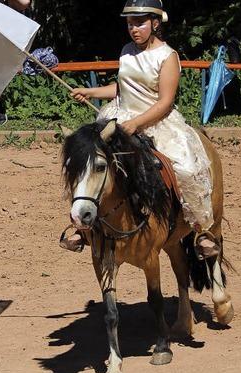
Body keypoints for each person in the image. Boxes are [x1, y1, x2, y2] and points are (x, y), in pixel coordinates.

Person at [64, 0, 219, 258]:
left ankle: (201, 229)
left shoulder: (168, 56)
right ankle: (82, 226)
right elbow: (123, 89)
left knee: (187, 168)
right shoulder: (126, 51)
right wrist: (91, 93)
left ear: (155, 23)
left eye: (139, 23)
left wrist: (136, 123)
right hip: (120, 118)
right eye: (130, 24)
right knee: (89, 160)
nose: (134, 29)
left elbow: (165, 101)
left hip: (157, 122)